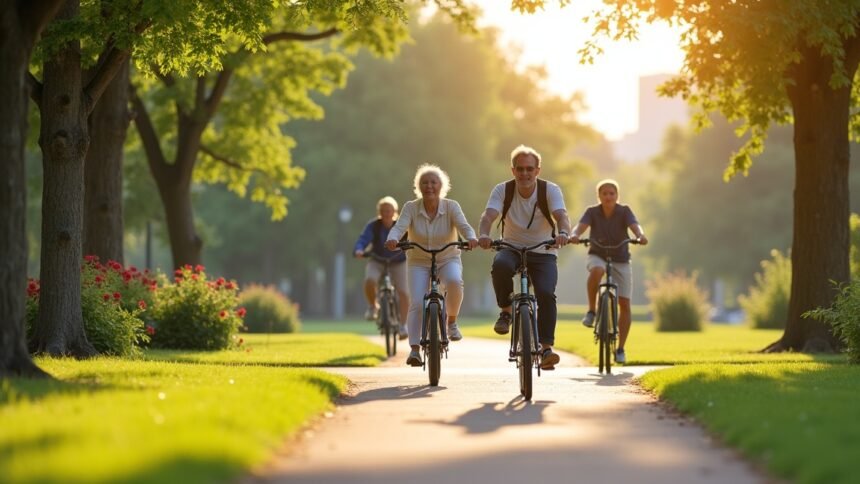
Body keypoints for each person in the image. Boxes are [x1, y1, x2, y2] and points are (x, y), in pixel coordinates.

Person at [477, 145, 571, 370]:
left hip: (543, 250)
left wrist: (563, 233)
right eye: (520, 169)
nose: (525, 173)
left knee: (546, 293)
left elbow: (561, 216)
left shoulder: (549, 190)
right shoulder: (503, 190)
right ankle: (506, 312)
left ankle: (546, 349)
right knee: (500, 265)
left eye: (529, 169)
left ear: (538, 170)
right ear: (513, 170)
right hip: (511, 246)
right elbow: (488, 215)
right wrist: (483, 235)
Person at [385, 164, 479, 367]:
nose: (429, 186)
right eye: (424, 183)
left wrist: (471, 238)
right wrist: (392, 239)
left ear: (441, 186)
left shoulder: (451, 206)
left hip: (447, 258)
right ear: (418, 186)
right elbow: (399, 227)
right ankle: (414, 350)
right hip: (418, 261)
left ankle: (451, 321)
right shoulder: (411, 207)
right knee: (417, 302)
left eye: (433, 182)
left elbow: (464, 226)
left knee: (454, 281)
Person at [569, 179, 648, 364]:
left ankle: (620, 349)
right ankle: (591, 311)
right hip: (598, 254)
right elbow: (580, 226)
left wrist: (640, 235)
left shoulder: (624, 211)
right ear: (599, 196)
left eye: (612, 193)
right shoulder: (592, 212)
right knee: (597, 270)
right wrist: (575, 235)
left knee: (625, 304)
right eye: (604, 193)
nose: (608, 197)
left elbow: (635, 225)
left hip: (621, 258)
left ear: (617, 195)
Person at [353, 196, 410, 339]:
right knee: (370, 280)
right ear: (379, 212)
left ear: (394, 211)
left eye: (389, 210)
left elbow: (411, 239)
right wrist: (359, 249)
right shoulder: (374, 226)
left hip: (398, 261)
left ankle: (403, 325)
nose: (386, 213)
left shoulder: (400, 226)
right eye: (383, 210)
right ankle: (373, 306)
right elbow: (363, 239)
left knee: (404, 292)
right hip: (377, 260)